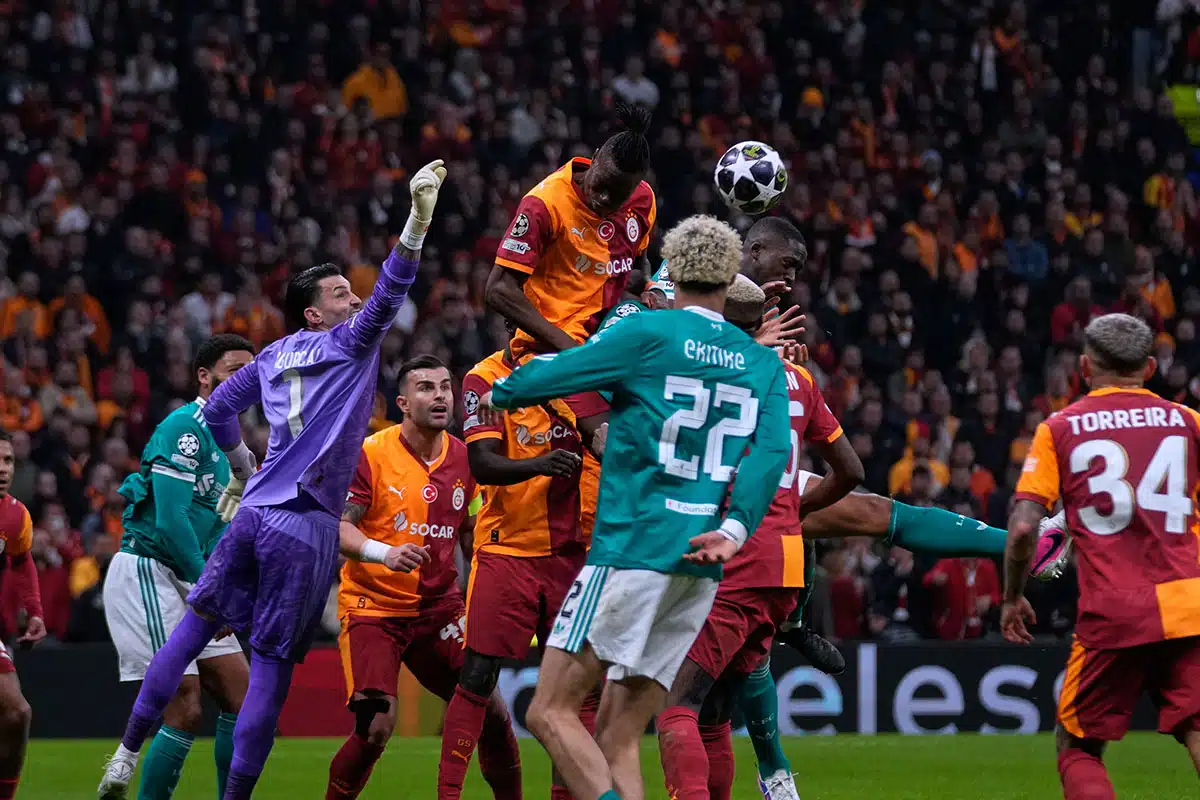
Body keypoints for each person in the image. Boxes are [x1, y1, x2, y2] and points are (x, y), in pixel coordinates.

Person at [100, 159, 448, 800]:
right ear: (313, 316)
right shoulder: (349, 344)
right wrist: (417, 223)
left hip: (253, 514)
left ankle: (123, 756)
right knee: (268, 676)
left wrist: (241, 468)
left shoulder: (268, 356)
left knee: (192, 632)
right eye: (340, 294)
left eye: (350, 292)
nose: (353, 300)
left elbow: (219, 409)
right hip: (306, 525)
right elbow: (392, 291)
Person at [481, 215, 792, 800]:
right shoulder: (762, 363)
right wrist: (733, 526)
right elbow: (772, 451)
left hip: (630, 549)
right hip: (701, 564)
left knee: (549, 712)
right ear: (731, 278)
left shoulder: (647, 333)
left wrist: (503, 387)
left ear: (671, 271)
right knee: (618, 735)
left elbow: (547, 379)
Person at [656, 275, 864, 800]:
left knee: (676, 706)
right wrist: (794, 507)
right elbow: (850, 471)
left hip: (736, 560)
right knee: (717, 711)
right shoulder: (797, 378)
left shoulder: (710, 374)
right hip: (787, 566)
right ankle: (774, 776)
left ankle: (768, 774)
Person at [1000, 313, 1200, 799]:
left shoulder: (1059, 428)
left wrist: (1012, 595)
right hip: (1190, 604)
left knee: (1078, 745)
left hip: (1113, 611)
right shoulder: (1190, 423)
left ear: (1085, 368)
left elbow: (1026, 525)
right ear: (1150, 367)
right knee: (1197, 727)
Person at [326, 355, 520, 800]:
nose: (439, 397)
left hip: (439, 610)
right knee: (377, 726)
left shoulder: (468, 459)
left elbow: (473, 530)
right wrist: (384, 552)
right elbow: (340, 527)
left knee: (490, 709)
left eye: (445, 387)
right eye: (426, 388)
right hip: (373, 608)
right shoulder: (372, 453)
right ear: (403, 403)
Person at [99, 334, 256, 800]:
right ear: (205, 377)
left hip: (195, 575)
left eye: (251, 370)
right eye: (234, 369)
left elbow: (221, 526)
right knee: (184, 707)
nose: (246, 379)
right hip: (149, 570)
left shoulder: (234, 446)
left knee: (243, 698)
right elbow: (169, 522)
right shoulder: (184, 428)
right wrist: (212, 587)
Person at [439, 325, 593, 800]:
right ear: (509, 323)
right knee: (479, 675)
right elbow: (482, 463)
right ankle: (447, 794)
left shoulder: (585, 371)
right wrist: (542, 464)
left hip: (576, 554)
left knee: (578, 689)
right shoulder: (484, 379)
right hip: (507, 549)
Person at [0, 431, 45, 799]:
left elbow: (20, 559)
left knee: (17, 713)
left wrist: (34, 611)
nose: (3, 469)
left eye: (9, 461)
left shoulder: (15, 515)